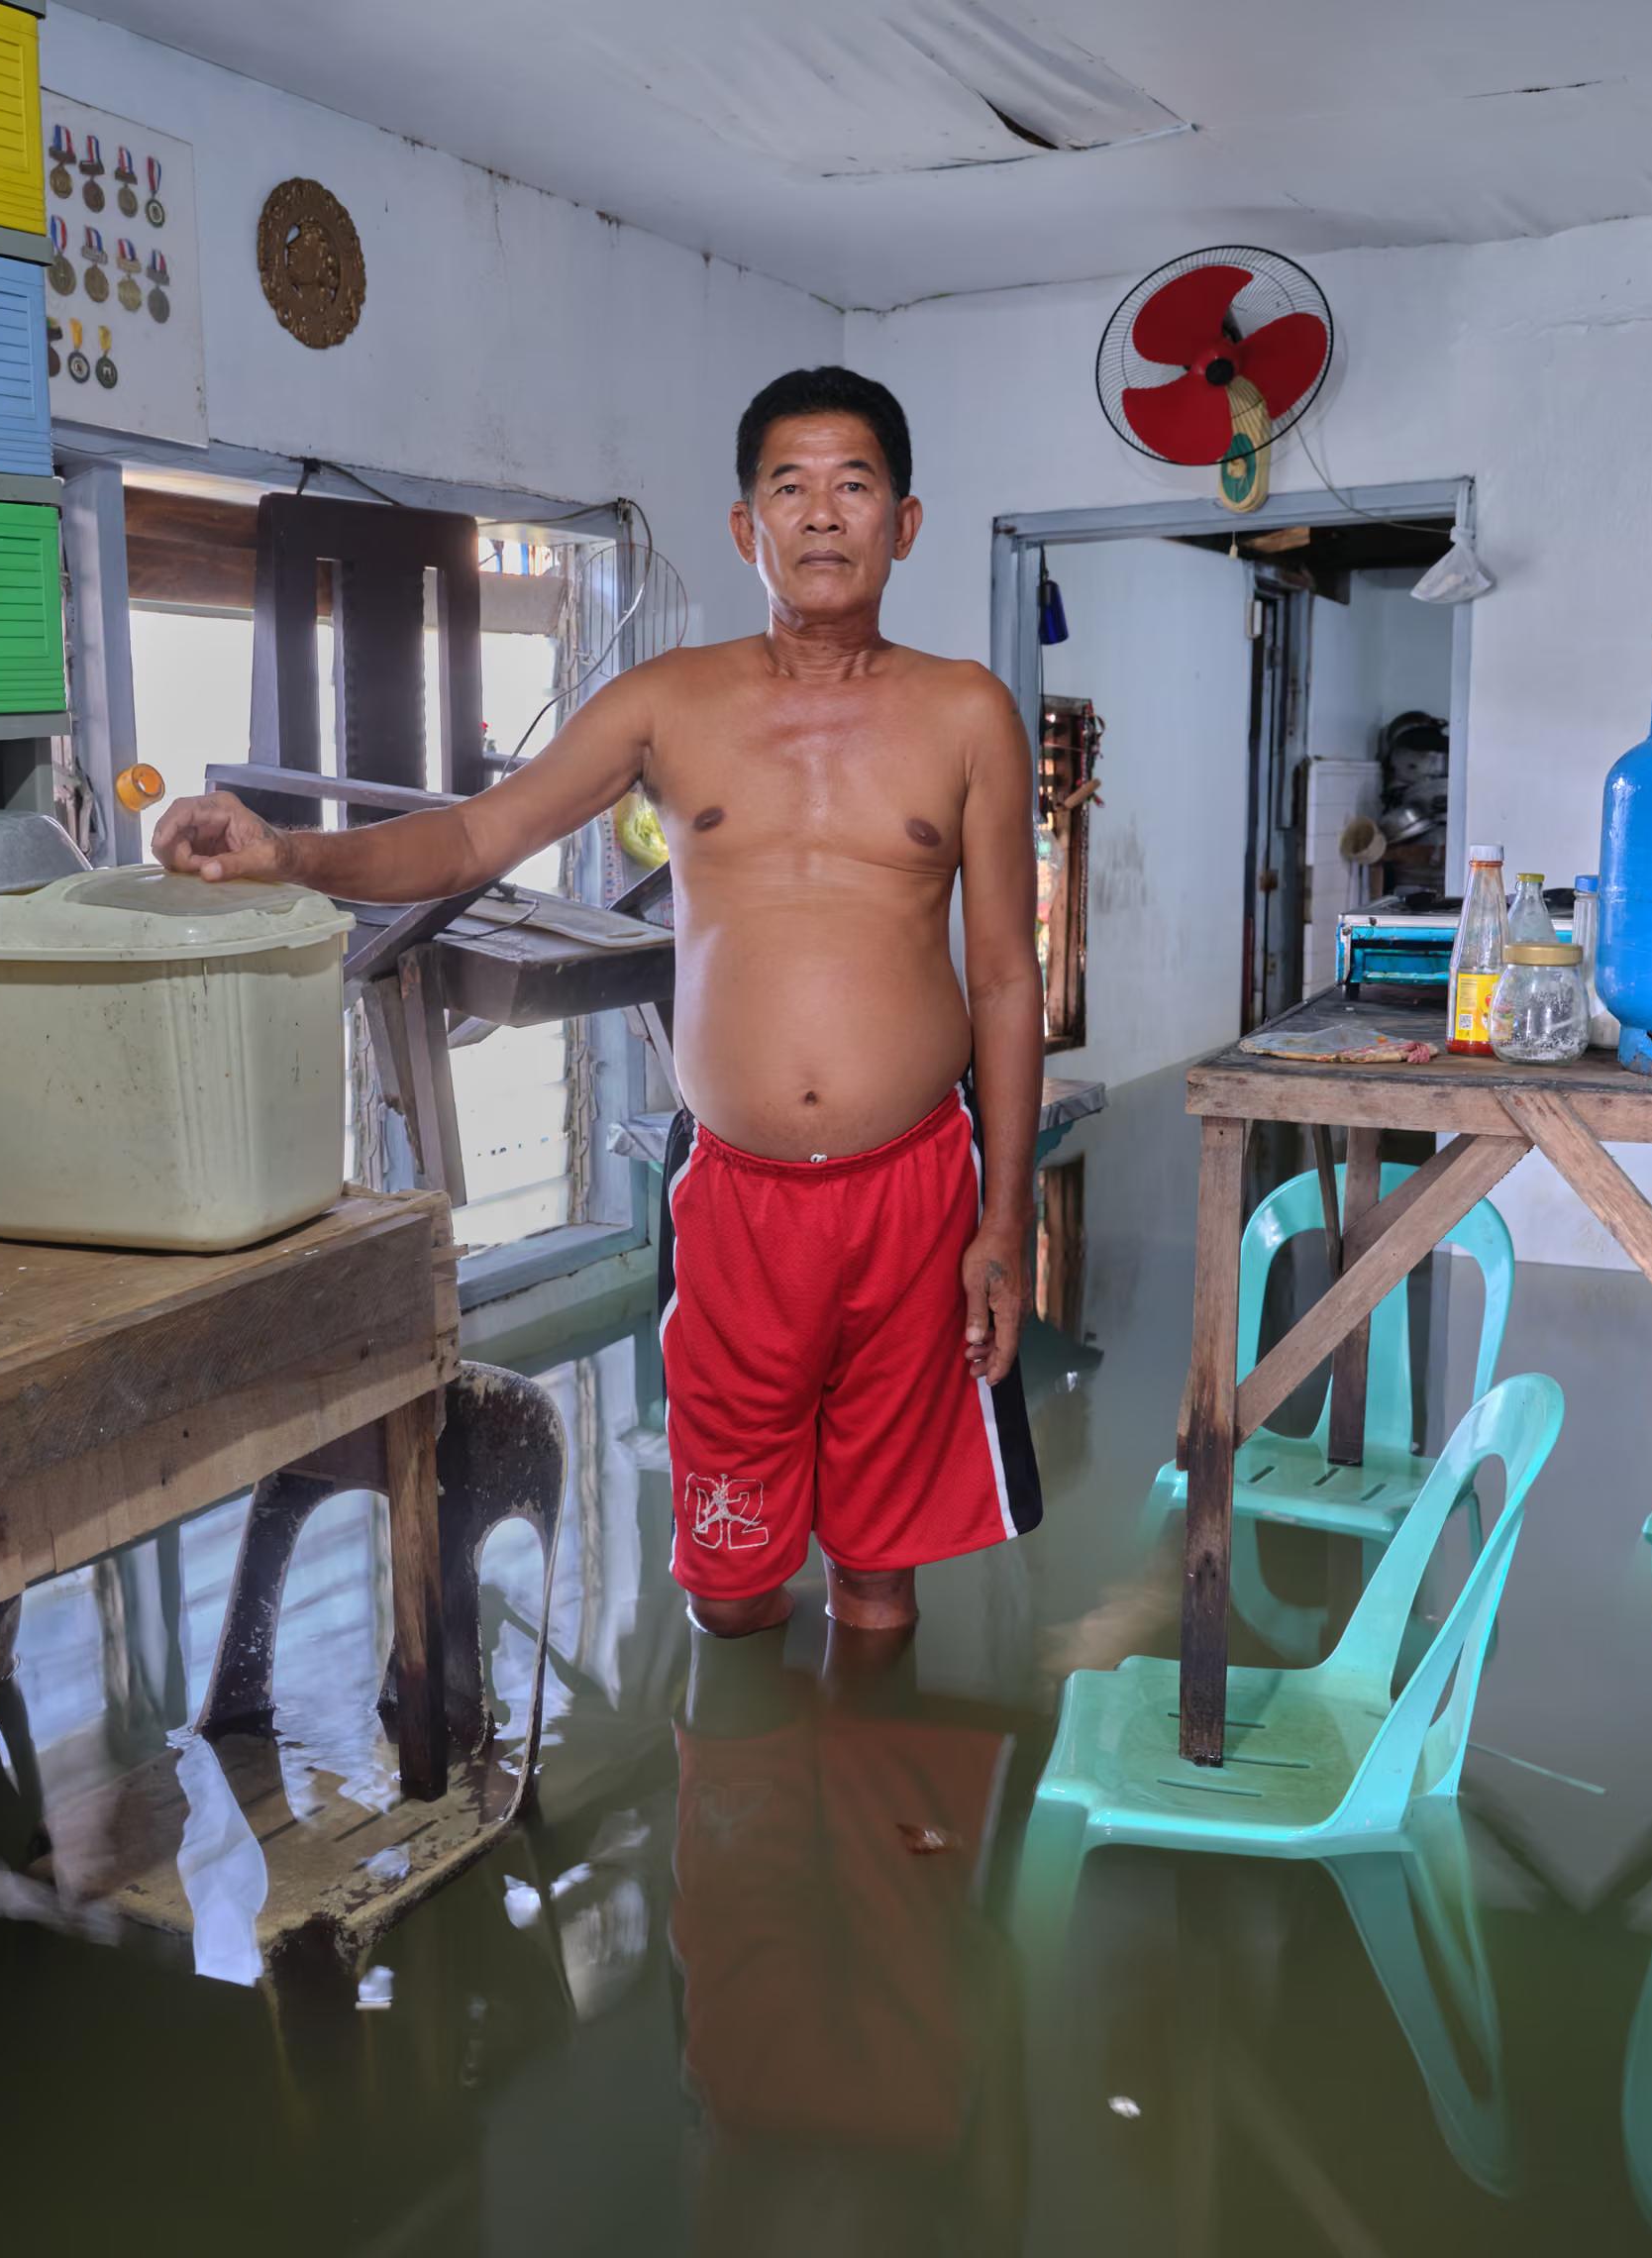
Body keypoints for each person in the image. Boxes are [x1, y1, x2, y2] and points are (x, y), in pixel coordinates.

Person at [152, 365, 1044, 1636]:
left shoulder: (968, 713)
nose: (823, 515)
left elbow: (1008, 978)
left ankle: (870, 1809)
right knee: (730, 1590)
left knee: (879, 1583)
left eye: (855, 486)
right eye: (790, 488)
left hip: (915, 1189)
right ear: (748, 529)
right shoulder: (669, 703)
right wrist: (291, 851)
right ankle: (743, 1818)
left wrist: (1002, 1226)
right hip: (738, 1199)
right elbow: (468, 842)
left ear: (904, 523)